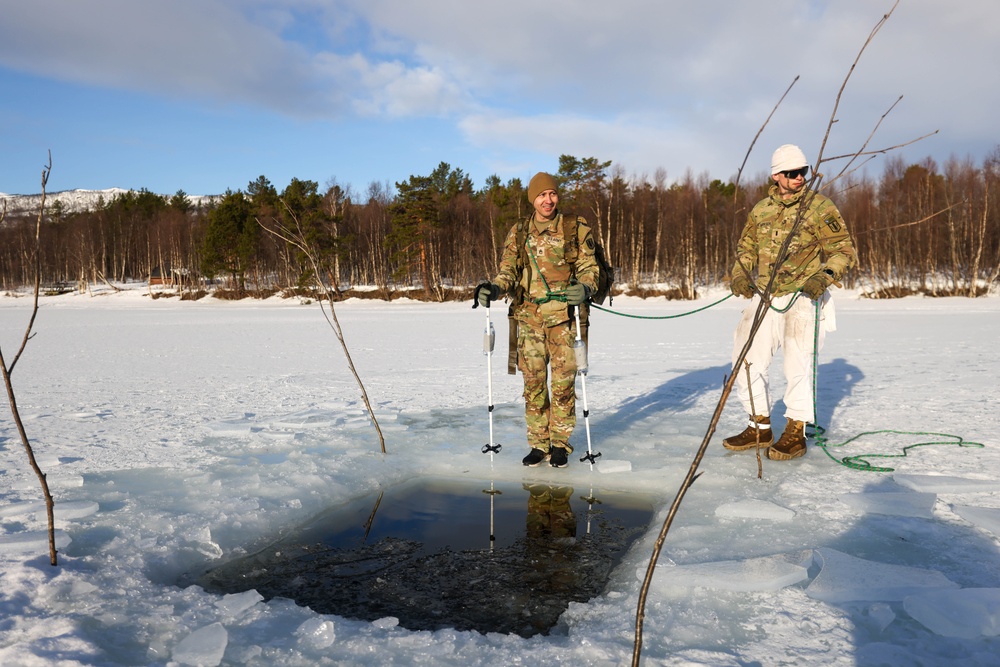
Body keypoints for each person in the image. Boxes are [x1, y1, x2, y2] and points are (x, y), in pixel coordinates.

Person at [723, 144, 857, 460]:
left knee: (798, 363)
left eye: (803, 172)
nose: (800, 177)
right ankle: (758, 426)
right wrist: (740, 274)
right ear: (777, 175)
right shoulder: (761, 210)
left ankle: (795, 430)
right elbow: (746, 248)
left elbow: (843, 250)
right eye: (792, 173)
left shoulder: (819, 207)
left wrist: (822, 277)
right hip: (766, 296)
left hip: (803, 295)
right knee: (745, 356)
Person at [475, 172, 600, 468]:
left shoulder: (575, 228)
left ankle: (560, 444)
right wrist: (494, 288)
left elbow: (589, 268)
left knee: (563, 385)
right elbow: (508, 271)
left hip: (564, 321)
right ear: (533, 199)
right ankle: (538, 444)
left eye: (552, 194)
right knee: (533, 384)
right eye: (542, 195)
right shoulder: (519, 232)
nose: (548, 200)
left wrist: (584, 287)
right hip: (529, 320)